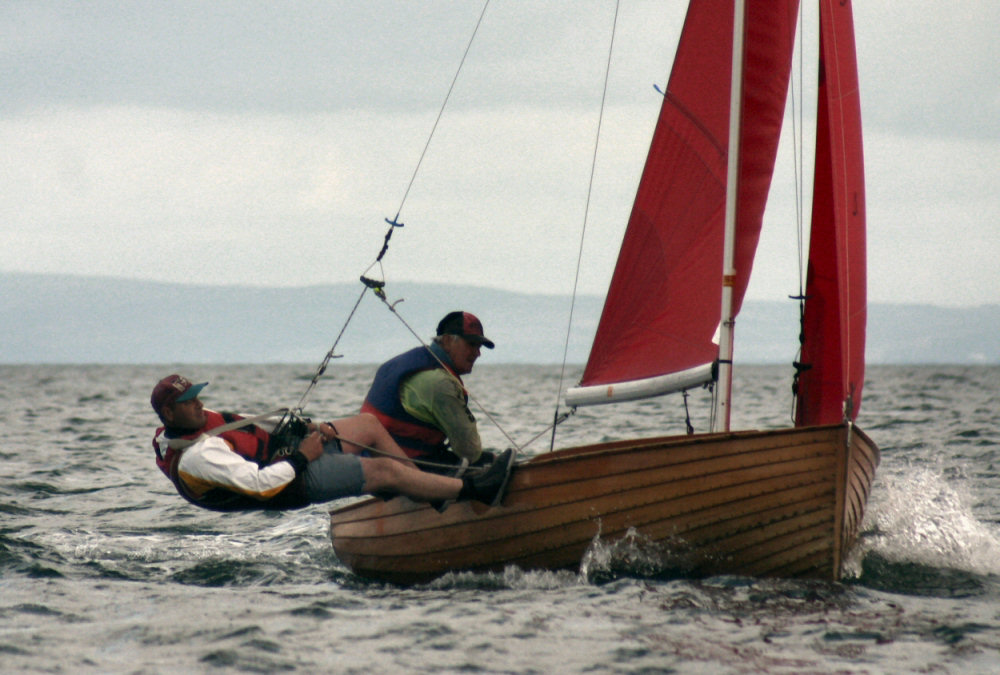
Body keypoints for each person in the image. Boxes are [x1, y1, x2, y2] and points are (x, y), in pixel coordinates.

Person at [150, 374, 514, 512]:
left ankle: (427, 488)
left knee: (368, 425)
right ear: (169, 412)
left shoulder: (199, 420)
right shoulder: (199, 456)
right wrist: (304, 457)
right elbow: (261, 486)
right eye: (189, 402)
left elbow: (246, 423)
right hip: (291, 482)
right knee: (383, 469)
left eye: (197, 397)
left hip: (292, 452)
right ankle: (475, 490)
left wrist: (312, 426)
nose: (198, 404)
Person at [361, 311, 494, 472]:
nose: (478, 353)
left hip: (370, 463)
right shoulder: (439, 382)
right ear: (446, 341)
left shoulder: (400, 363)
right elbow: (470, 451)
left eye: (479, 347)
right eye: (471, 344)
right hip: (401, 471)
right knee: (490, 464)